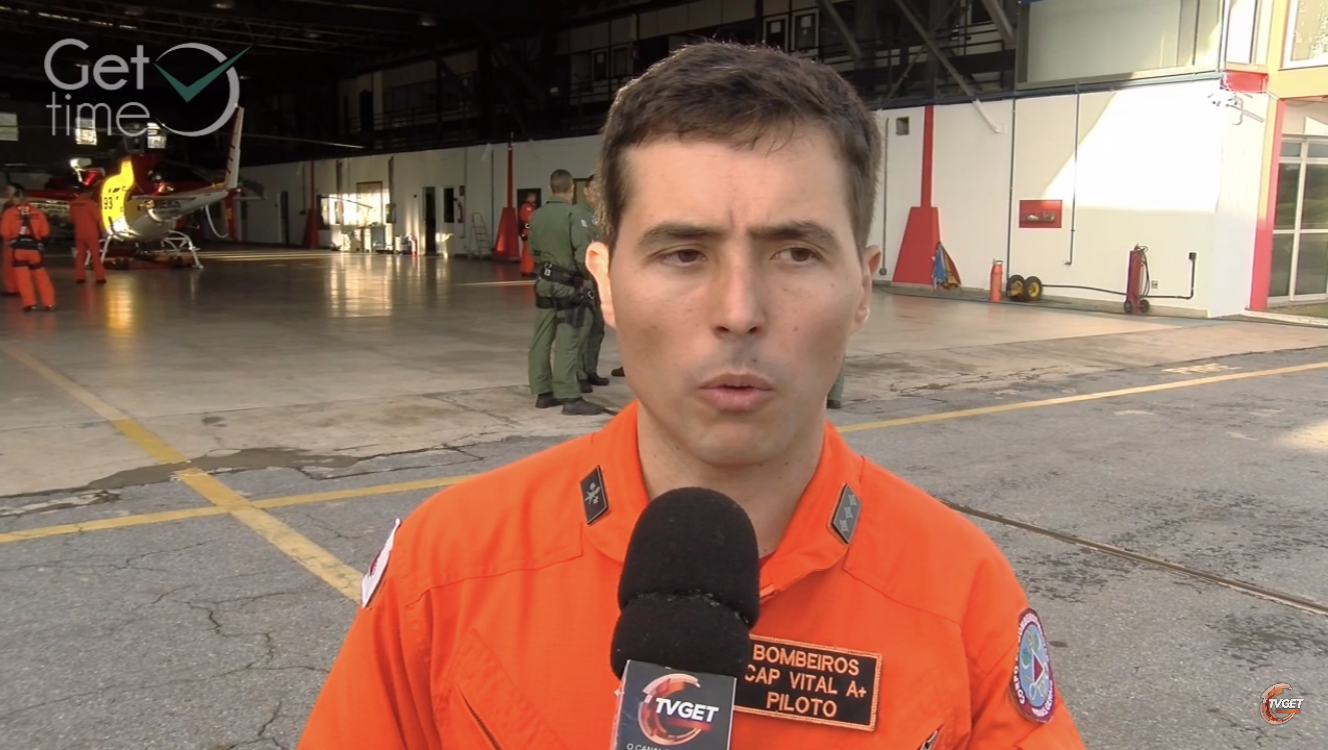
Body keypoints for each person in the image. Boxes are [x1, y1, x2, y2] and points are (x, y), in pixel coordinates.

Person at [300, 42, 1084, 749]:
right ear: (607, 283)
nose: (738, 311)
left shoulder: (962, 596)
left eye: (796, 253)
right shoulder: (446, 569)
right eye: (682, 253)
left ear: (862, 288)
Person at [525, 169, 605, 416]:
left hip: (544, 282)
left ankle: (543, 392)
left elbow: (533, 251)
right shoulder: (573, 215)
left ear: (550, 188)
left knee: (541, 338)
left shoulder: (537, 216)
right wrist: (588, 278)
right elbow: (582, 254)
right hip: (569, 286)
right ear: (571, 189)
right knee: (568, 341)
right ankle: (570, 396)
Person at [0, 186, 55, 312]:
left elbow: (4, 232)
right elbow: (45, 232)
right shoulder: (38, 213)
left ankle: (29, 303)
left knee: (23, 278)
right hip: (34, 249)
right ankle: (49, 303)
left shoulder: (9, 213)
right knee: (41, 276)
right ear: (26, 198)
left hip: (18, 250)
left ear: (15, 199)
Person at [576, 174, 610, 390]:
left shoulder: (603, 216)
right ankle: (578, 373)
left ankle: (590, 370)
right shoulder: (578, 214)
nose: (597, 193)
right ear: (585, 191)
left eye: (600, 189)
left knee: (598, 327)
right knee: (583, 328)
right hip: (586, 280)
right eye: (594, 189)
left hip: (601, 280)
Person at [68, 187, 105, 284]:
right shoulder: (90, 203)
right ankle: (99, 278)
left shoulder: (73, 203)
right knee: (95, 255)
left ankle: (80, 277)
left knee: (80, 255)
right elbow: (97, 217)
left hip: (79, 232)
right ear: (88, 192)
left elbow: (71, 218)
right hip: (91, 233)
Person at [0, 191, 19, 297]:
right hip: (18, 239)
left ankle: (13, 288)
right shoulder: (26, 208)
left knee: (11, 265)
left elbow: (4, 228)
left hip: (10, 239)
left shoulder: (10, 209)